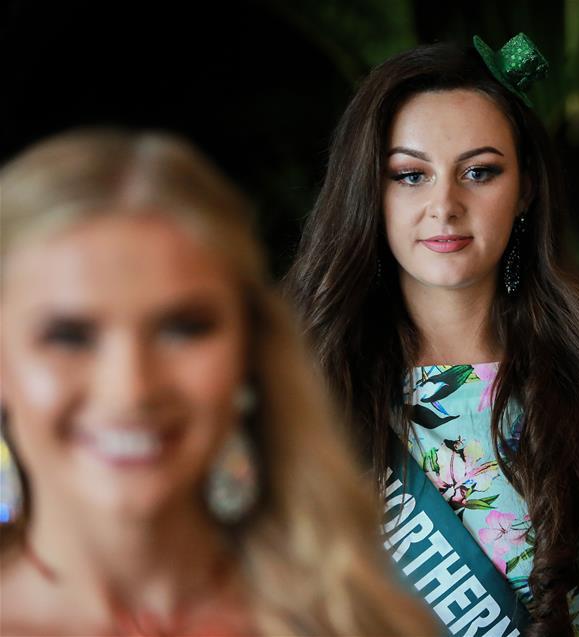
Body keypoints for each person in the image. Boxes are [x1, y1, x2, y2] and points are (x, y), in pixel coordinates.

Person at [286, 34, 579, 637]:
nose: (444, 205)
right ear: (369, 191)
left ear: (526, 188)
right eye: (409, 175)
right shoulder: (303, 379)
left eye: (478, 172)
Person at [0, 129, 436, 636]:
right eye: (69, 336)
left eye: (183, 328)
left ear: (248, 353)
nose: (131, 389)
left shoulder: (363, 625)